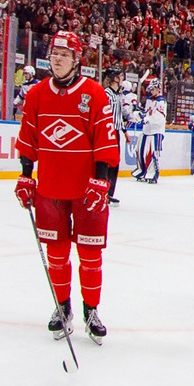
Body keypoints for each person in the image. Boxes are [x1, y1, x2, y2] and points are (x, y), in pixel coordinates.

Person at [14, 29, 120, 342]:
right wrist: (26, 175)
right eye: (55, 54)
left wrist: (101, 179)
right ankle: (62, 307)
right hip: (50, 189)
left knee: (90, 255)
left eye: (65, 55)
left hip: (87, 190)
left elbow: (105, 140)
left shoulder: (94, 93)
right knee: (57, 254)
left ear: (76, 60)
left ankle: (91, 310)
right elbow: (28, 138)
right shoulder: (36, 94)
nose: (58, 60)